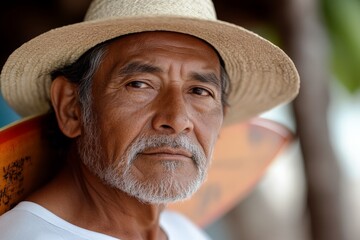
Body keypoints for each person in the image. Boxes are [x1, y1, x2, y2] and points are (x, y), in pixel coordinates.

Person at [0, 0, 300, 239]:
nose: (178, 119)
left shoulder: (184, 232)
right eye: (140, 84)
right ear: (71, 107)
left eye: (199, 91)